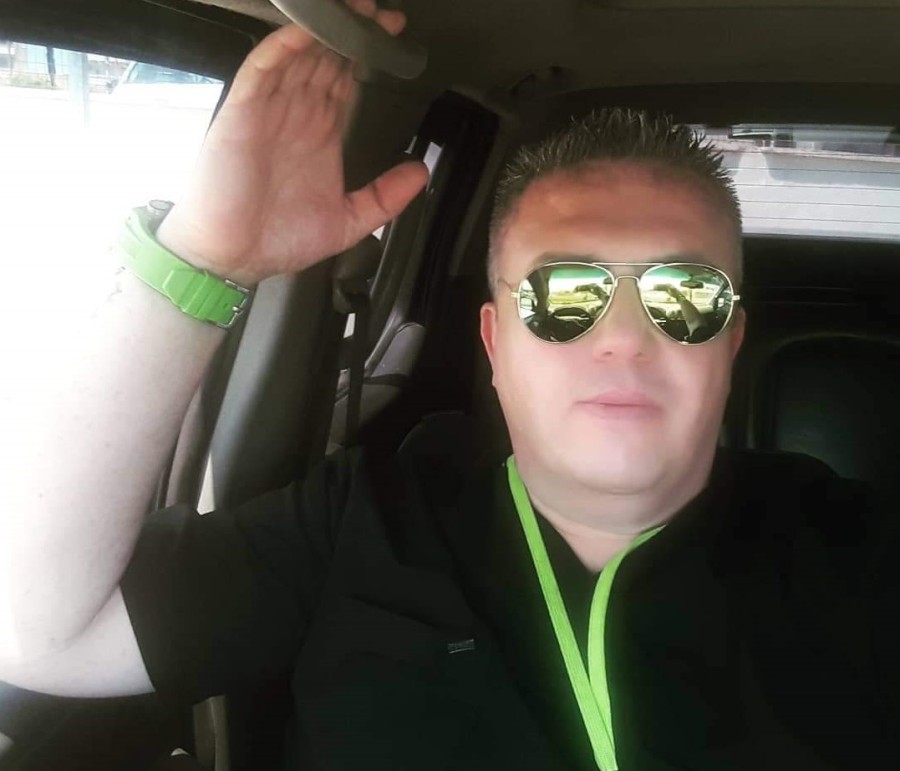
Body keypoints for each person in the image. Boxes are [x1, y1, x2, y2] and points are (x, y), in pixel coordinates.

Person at [1, 4, 896, 770]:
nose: (625, 336)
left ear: (730, 341)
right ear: (496, 342)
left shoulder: (854, 558)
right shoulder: (361, 524)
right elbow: (34, 629)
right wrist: (201, 261)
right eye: (566, 294)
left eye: (684, 294)